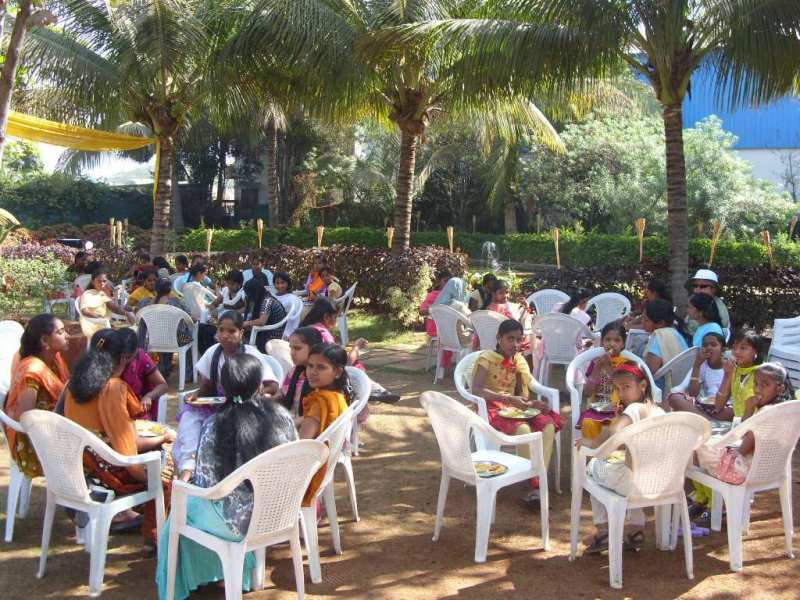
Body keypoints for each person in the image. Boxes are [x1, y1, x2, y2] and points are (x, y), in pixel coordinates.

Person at [155, 354, 297, 600]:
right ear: (259, 385)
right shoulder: (283, 417)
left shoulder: (215, 425)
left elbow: (206, 485)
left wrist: (182, 482)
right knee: (196, 506)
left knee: (180, 509)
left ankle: (178, 587)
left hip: (235, 525)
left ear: (223, 387)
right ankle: (228, 573)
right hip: (280, 512)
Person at [64, 329, 174, 554]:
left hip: (79, 466)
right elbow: (127, 448)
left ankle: (142, 518)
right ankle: (154, 537)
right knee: (167, 468)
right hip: (107, 472)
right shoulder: (114, 388)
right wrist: (163, 439)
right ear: (124, 358)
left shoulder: (74, 384)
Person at [173, 311, 280, 482]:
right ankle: (188, 467)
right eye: (221, 330)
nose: (225, 335)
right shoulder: (213, 353)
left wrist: (253, 394)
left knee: (220, 433)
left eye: (231, 331)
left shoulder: (250, 354)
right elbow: (207, 386)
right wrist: (196, 395)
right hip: (219, 405)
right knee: (190, 418)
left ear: (241, 333)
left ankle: (216, 475)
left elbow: (273, 386)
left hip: (245, 408)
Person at [471, 319, 565, 505]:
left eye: (519, 339)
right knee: (523, 430)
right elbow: (477, 390)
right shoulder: (486, 358)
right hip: (491, 407)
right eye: (510, 339)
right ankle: (528, 482)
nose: (515, 344)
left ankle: (538, 480)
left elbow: (522, 394)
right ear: (499, 338)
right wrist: (508, 400)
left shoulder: (519, 360)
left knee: (547, 425)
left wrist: (532, 403)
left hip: (514, 408)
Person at [580, 361, 664, 554]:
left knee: (592, 467)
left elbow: (613, 434)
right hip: (660, 481)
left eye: (626, 387)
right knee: (624, 468)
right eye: (617, 389)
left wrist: (590, 444)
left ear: (642, 386)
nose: (621, 393)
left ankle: (603, 530)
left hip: (634, 484)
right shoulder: (659, 410)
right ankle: (636, 529)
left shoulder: (633, 409)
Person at [696, 362, 795, 488]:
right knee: (709, 451)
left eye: (765, 385)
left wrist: (748, 410)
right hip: (773, 472)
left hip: (744, 472)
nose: (757, 389)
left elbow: (743, 443)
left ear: (780, 389)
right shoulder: (788, 410)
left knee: (697, 449)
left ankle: (693, 493)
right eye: (755, 384)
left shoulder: (766, 413)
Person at [4, 315, 70, 478]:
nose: (67, 335)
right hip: (34, 443)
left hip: (54, 427)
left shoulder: (54, 359)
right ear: (45, 341)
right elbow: (29, 419)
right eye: (61, 332)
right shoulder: (31, 370)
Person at [301, 297, 399, 404]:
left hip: (307, 370)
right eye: (335, 317)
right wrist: (356, 348)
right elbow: (344, 362)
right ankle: (373, 390)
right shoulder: (322, 333)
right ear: (326, 317)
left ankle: (376, 390)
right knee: (352, 369)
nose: (336, 320)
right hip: (322, 373)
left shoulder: (305, 329)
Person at [297, 343, 351, 505]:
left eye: (321, 367)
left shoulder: (319, 403)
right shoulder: (337, 397)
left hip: (304, 474)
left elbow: (302, 443)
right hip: (323, 466)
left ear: (337, 372)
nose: (312, 372)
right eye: (310, 366)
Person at [575, 321, 629, 441]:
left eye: (617, 340)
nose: (612, 344)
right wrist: (598, 368)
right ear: (601, 342)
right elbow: (587, 393)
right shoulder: (597, 362)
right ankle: (592, 451)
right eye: (607, 339)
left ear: (623, 344)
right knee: (588, 423)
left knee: (616, 425)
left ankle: (611, 451)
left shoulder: (627, 364)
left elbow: (623, 389)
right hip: (599, 408)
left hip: (621, 409)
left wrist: (608, 367)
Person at [138, 278, 194, 378]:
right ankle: (189, 372)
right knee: (187, 336)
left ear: (156, 289)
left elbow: (141, 323)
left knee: (164, 334)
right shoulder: (176, 302)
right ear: (170, 290)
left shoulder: (145, 304)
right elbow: (188, 316)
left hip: (154, 339)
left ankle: (164, 369)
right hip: (177, 340)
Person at [707, 329, 762, 422]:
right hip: (738, 420)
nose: (736, 352)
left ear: (755, 352)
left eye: (743, 348)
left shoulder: (762, 373)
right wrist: (727, 374)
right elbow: (718, 405)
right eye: (734, 347)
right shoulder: (735, 370)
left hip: (755, 423)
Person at [667, 332, 726, 416]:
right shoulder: (701, 365)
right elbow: (693, 393)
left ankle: (703, 418)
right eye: (705, 345)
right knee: (674, 398)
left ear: (723, 350)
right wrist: (696, 366)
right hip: (705, 405)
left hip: (724, 406)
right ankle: (706, 419)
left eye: (713, 345)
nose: (708, 348)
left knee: (730, 411)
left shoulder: (730, 366)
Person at [118, 327, 168, 422]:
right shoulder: (110, 358)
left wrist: (149, 396)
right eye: (120, 357)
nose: (123, 361)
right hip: (116, 409)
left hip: (138, 409)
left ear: (135, 351)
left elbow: (163, 385)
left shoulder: (141, 357)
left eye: (127, 357)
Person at [278, 326, 324, 420]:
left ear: (313, 349)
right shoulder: (294, 371)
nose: (292, 353)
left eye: (297, 348)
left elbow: (316, 414)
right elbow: (282, 393)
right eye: (291, 348)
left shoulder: (322, 377)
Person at [78, 267, 135, 336]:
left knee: (132, 330)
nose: (102, 283)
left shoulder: (101, 294)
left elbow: (114, 308)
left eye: (104, 281)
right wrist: (99, 318)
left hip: (105, 323)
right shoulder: (87, 294)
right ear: (93, 282)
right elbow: (85, 311)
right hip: (93, 326)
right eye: (99, 281)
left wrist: (127, 314)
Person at [641, 298, 688, 381]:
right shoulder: (674, 333)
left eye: (646, 320)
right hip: (683, 381)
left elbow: (649, 370)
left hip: (665, 385)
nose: (642, 322)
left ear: (660, 323)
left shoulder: (660, 336)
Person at [242, 277, 287, 352]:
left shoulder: (267, 301)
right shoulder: (261, 298)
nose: (248, 295)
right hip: (264, 329)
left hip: (272, 334)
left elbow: (261, 321)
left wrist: (246, 323)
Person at [685, 269, 730, 338]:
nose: (697, 289)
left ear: (714, 289)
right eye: (695, 285)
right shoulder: (693, 301)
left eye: (703, 286)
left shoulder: (717, 306)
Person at [420, 270, 451, 338]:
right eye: (446, 281)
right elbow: (421, 312)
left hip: (450, 332)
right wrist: (436, 310)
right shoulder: (433, 295)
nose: (448, 284)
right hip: (435, 331)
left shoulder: (453, 296)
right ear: (439, 282)